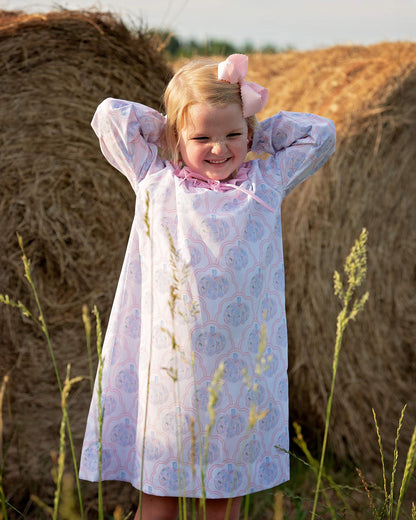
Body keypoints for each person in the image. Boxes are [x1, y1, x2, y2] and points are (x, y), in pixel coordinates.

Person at [79, 54, 336, 520]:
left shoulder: (264, 184)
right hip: (168, 379)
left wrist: (257, 129)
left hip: (239, 380)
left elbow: (321, 135)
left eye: (233, 135)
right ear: (179, 137)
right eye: (202, 137)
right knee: (159, 505)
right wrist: (171, 126)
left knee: (222, 503)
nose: (220, 148)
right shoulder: (156, 182)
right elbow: (109, 117)